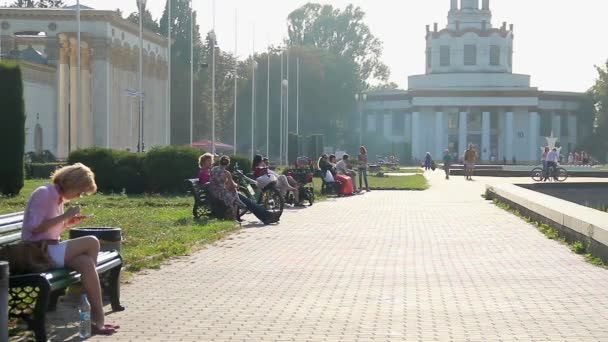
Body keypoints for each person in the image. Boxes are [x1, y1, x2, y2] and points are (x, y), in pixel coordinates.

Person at [22, 163, 119, 335]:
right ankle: (85, 296)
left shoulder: (57, 197)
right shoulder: (44, 194)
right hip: (36, 252)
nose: (78, 196)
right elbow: (34, 228)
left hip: (49, 249)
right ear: (72, 183)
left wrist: (67, 223)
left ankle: (96, 320)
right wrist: (65, 216)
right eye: (79, 191)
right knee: (92, 242)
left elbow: (50, 230)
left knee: (86, 263)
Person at [209, 155, 280, 224]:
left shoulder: (213, 169)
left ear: (219, 162)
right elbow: (232, 185)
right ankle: (267, 216)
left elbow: (218, 182)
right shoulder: (226, 173)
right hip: (223, 194)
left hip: (214, 193)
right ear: (228, 164)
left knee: (248, 202)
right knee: (248, 202)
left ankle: (267, 215)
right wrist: (236, 185)